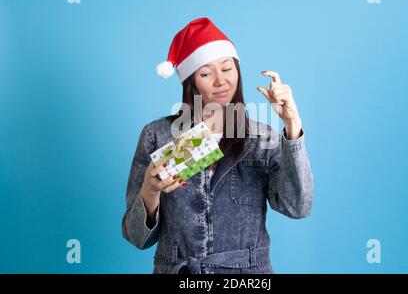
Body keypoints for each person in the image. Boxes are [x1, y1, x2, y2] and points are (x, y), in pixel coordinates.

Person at [122, 17, 314, 274]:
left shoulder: (261, 138)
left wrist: (292, 125)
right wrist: (150, 189)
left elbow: (297, 207)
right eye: (205, 73)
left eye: (227, 68)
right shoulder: (157, 135)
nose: (220, 81)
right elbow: (137, 238)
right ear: (190, 82)